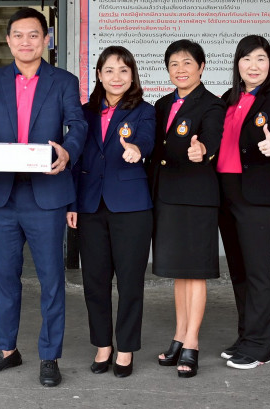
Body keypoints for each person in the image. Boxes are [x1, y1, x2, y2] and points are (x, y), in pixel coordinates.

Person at [0, 8, 86, 388]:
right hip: (3, 194)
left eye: (34, 35)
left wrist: (67, 151)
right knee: (3, 276)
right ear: (8, 40)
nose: (26, 41)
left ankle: (49, 356)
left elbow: (78, 125)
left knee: (51, 279)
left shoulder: (64, 81)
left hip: (46, 194)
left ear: (46, 40)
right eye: (18, 35)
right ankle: (7, 350)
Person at [67, 45, 154, 379]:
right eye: (109, 70)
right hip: (90, 206)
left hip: (131, 207)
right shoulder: (85, 113)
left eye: (123, 70)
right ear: (99, 76)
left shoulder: (144, 111)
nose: (116, 77)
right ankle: (103, 345)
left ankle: (126, 348)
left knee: (130, 283)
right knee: (94, 281)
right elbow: (75, 159)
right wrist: (72, 203)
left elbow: (146, 139)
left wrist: (137, 149)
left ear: (132, 76)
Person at [216, 35, 270, 370]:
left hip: (258, 195)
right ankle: (246, 335)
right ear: (237, 64)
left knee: (258, 271)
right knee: (238, 271)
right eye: (247, 59)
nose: (253, 66)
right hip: (226, 192)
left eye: (261, 59)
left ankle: (261, 346)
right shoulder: (228, 99)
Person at [148, 39, 225, 378]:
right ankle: (179, 335)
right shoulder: (162, 104)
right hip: (167, 196)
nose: (180, 70)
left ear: (201, 67)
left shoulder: (212, 104)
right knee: (180, 272)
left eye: (187, 63)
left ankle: (192, 341)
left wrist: (202, 150)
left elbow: (212, 140)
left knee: (195, 272)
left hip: (196, 198)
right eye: (174, 64)